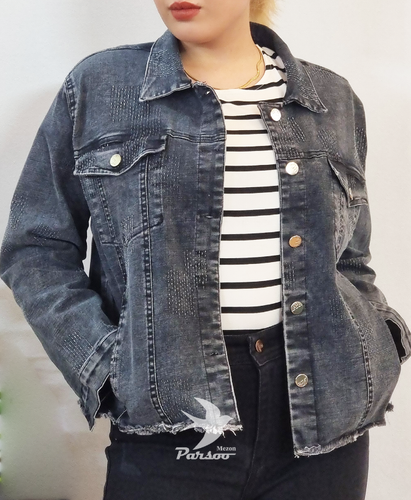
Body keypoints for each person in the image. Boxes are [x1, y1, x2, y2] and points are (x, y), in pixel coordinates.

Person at [1, 0, 410, 499]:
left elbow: (350, 261)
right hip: (171, 411)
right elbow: (36, 247)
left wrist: (381, 340)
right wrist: (107, 366)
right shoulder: (101, 87)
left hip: (327, 408)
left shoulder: (332, 98)